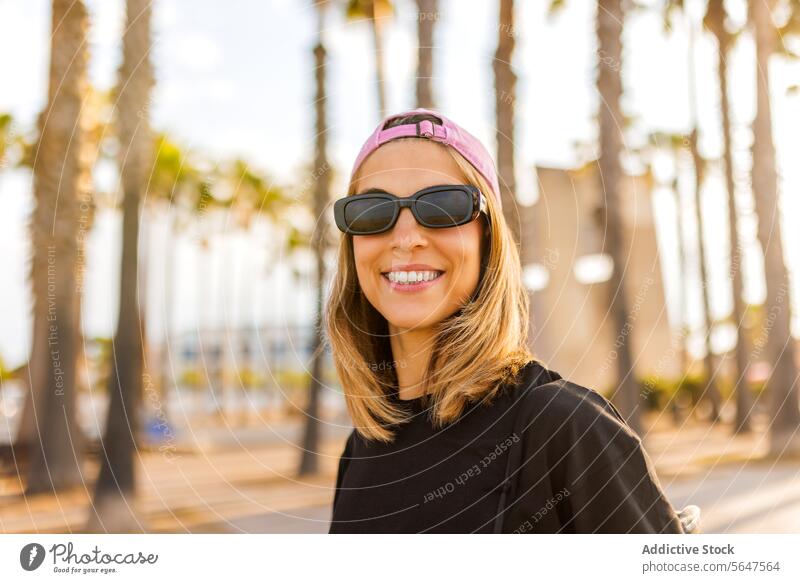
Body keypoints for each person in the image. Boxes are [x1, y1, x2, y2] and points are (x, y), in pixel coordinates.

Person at [325, 108, 687, 534]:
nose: (406, 239)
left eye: (442, 206)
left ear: (488, 239)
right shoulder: (363, 447)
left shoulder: (565, 427)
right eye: (372, 211)